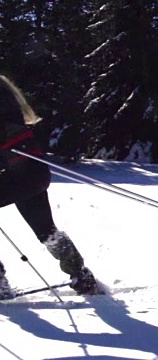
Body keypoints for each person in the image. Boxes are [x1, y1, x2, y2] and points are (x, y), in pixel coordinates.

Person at [0, 74, 100, 299]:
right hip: (33, 174)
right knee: (46, 230)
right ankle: (81, 275)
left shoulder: (4, 105)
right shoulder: (9, 101)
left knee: (45, 228)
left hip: (16, 175)